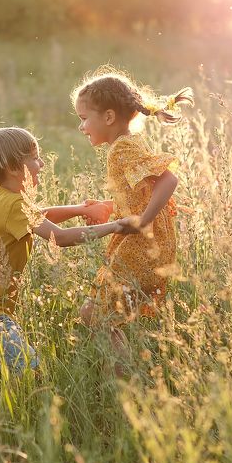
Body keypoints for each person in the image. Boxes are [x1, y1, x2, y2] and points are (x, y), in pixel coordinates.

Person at [0, 126, 127, 375]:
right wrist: (116, 226)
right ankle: (17, 413)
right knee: (29, 371)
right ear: (13, 168)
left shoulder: (5, 196)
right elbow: (61, 237)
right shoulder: (13, 204)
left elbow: (40, 215)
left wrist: (82, 209)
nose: (42, 164)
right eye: (34, 158)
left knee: (21, 370)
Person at [71, 66, 194, 325]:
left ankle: (120, 366)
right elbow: (142, 190)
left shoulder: (122, 148)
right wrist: (112, 205)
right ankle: (121, 365)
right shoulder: (129, 142)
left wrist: (143, 220)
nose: (81, 126)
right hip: (150, 245)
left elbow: (168, 179)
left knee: (96, 316)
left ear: (108, 117)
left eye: (84, 118)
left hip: (141, 245)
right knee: (104, 317)